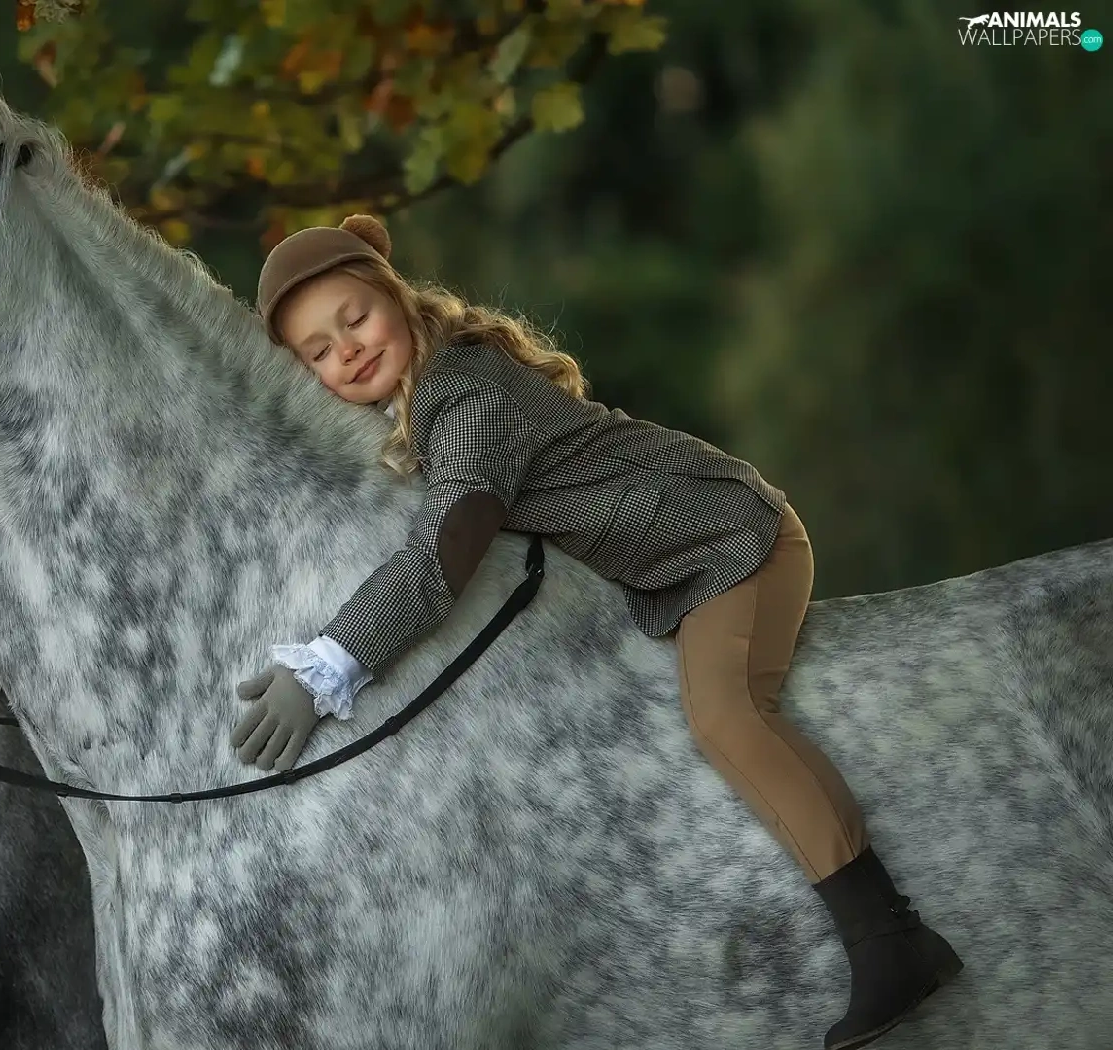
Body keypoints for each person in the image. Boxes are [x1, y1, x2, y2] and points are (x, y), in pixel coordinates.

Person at [230, 214, 962, 1050]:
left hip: (728, 546)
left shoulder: (466, 394)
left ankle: (892, 937)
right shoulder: (419, 402)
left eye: (355, 319)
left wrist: (327, 662)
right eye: (319, 352)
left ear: (394, 296)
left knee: (726, 716)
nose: (348, 351)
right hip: (671, 571)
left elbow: (443, 552)